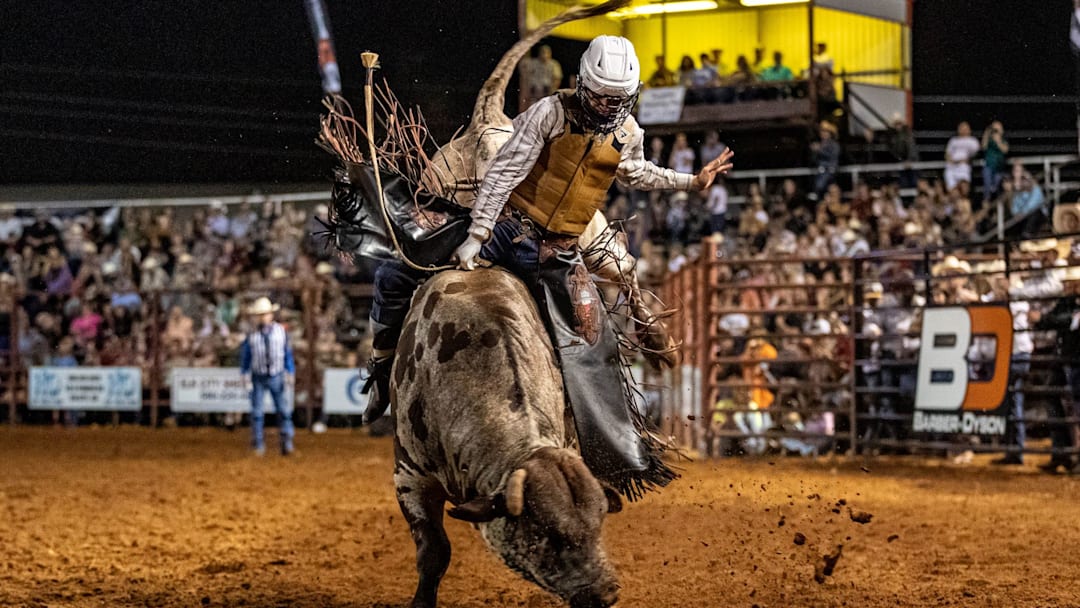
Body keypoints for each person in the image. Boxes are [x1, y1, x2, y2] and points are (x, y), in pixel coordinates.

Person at [363, 35, 734, 492]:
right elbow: (504, 173)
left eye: (616, 99)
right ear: (583, 84)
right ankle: (382, 371)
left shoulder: (628, 133)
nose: (606, 106)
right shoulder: (549, 113)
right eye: (600, 95)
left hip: (559, 250)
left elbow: (636, 171)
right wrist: (477, 234)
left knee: (596, 345)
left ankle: (612, 459)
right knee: (395, 271)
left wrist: (690, 181)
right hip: (507, 230)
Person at [1032, 264, 1080, 473]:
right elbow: (1054, 320)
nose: (1066, 286)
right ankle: (1061, 452)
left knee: (1076, 404)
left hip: (1074, 356)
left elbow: (1064, 321)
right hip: (1066, 356)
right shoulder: (1066, 301)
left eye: (1070, 283)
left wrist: (1043, 319)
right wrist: (1046, 320)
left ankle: (1066, 452)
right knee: (1055, 397)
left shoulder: (1070, 304)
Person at [239, 296, 296, 457]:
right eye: (260, 314)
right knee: (257, 412)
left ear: (271, 315)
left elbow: (287, 354)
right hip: (258, 376)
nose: (262, 317)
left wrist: (290, 371)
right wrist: (244, 373)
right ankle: (258, 444)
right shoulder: (252, 336)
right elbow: (246, 356)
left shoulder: (281, 332)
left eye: (265, 314)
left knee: (283, 410)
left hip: (276, 374)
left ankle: (287, 443)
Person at [944, 121, 980, 192]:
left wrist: (966, 160)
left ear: (969, 130)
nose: (963, 130)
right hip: (952, 167)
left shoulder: (972, 141)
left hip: (964, 167)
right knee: (951, 188)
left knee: (963, 188)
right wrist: (952, 161)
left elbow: (976, 154)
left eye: (965, 128)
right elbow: (947, 154)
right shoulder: (953, 140)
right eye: (961, 128)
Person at [981, 121, 1009, 206]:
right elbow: (983, 146)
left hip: (999, 169)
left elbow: (1005, 150)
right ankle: (986, 200)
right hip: (989, 167)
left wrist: (998, 141)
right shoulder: (989, 141)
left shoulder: (1003, 141)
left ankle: (997, 203)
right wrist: (987, 132)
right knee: (987, 182)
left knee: (997, 185)